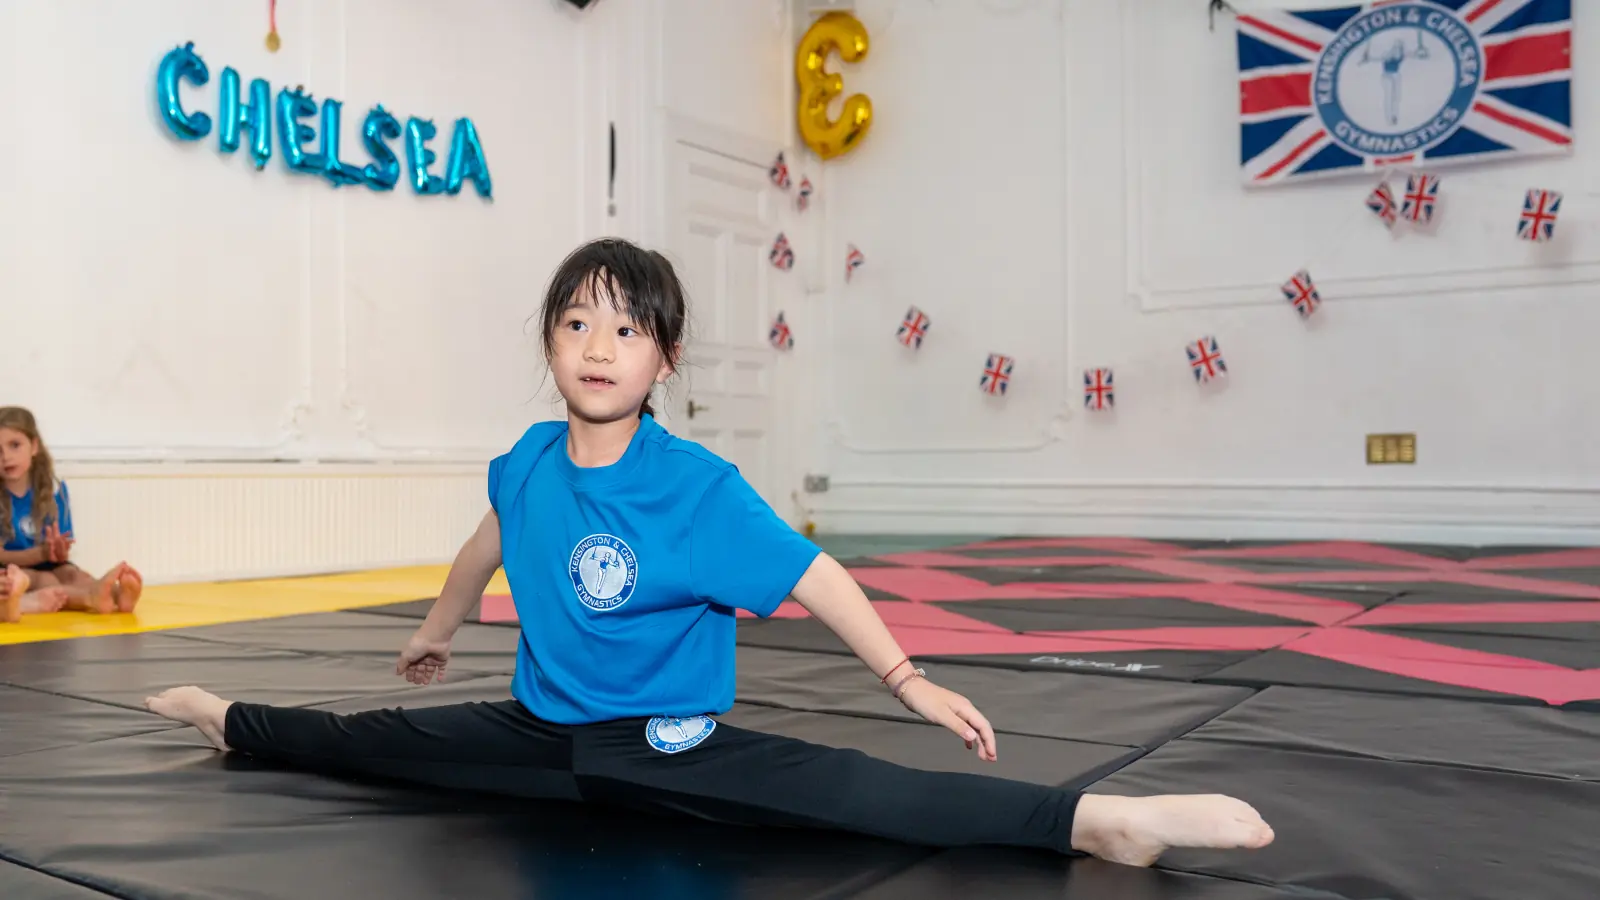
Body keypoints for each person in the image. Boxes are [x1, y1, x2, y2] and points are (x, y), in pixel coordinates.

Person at [145, 238, 1274, 867]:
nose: (598, 345)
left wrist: (907, 678)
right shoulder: (530, 460)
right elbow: (487, 542)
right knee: (365, 743)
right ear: (549, 339)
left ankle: (1096, 822)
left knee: (853, 792)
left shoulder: (696, 492)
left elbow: (820, 577)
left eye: (627, 328)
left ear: (663, 359)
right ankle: (226, 719)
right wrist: (437, 631)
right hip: (540, 735)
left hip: (669, 747)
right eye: (577, 322)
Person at [0, 406, 142, 617]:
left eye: (15, 445)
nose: (6, 456)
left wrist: (58, 552)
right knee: (45, 580)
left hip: (49, 562)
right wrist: (39, 554)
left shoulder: (54, 490)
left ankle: (116, 594)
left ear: (34, 446)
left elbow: (61, 550)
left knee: (75, 575)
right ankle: (90, 598)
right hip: (12, 567)